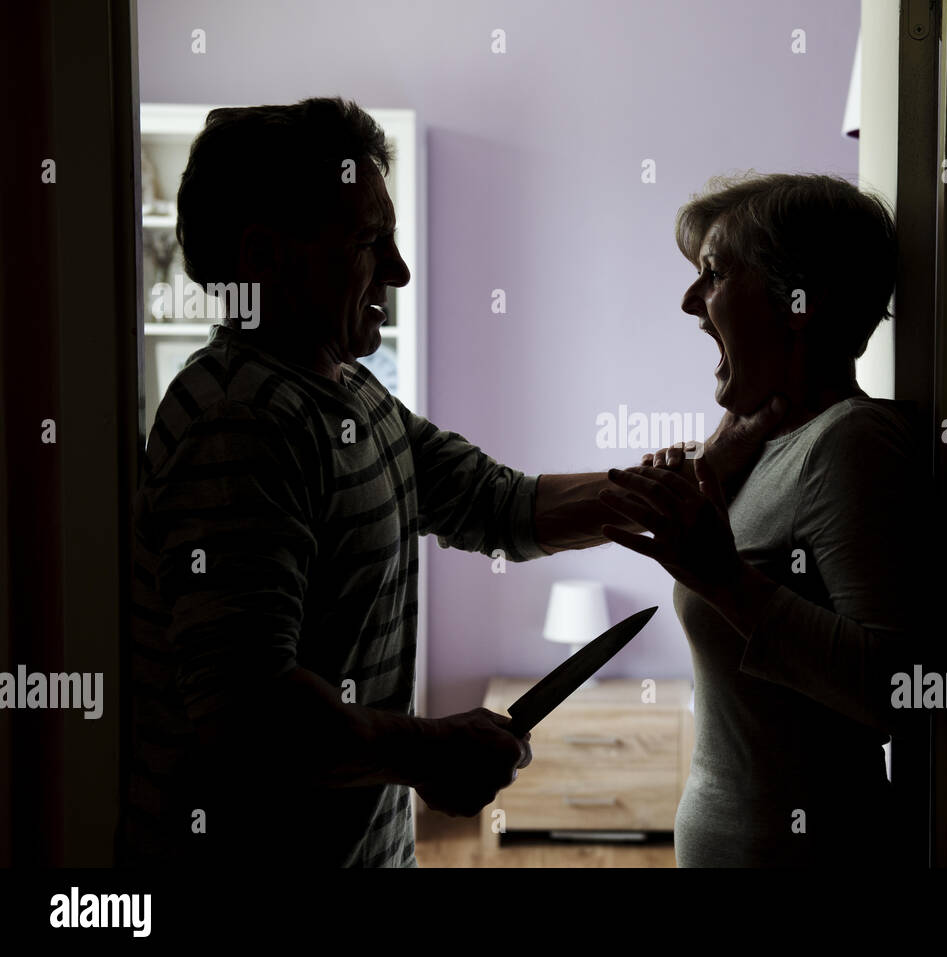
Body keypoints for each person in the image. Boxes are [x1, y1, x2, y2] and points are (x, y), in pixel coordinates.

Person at [118, 98, 785, 868]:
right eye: (370, 242)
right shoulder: (237, 423)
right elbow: (252, 718)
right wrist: (430, 749)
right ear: (264, 259)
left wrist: (720, 454)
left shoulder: (347, 392)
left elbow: (501, 505)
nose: (399, 269)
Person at [601, 172, 925, 867]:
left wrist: (726, 581)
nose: (690, 299)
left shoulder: (852, 443)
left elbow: (899, 685)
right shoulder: (758, 450)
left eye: (714, 274)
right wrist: (709, 465)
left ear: (799, 303)